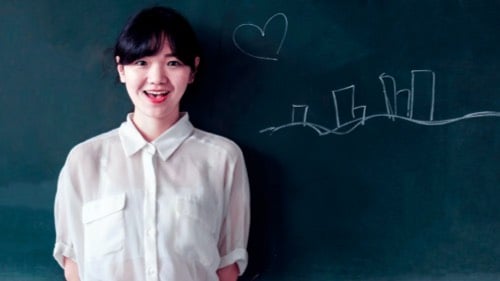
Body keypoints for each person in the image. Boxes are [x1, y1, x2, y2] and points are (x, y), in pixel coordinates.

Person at [53, 6, 250, 281]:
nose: (157, 78)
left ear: (192, 70)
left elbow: (227, 266)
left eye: (173, 63)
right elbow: (73, 263)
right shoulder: (84, 160)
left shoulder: (222, 158)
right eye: (141, 62)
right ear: (122, 69)